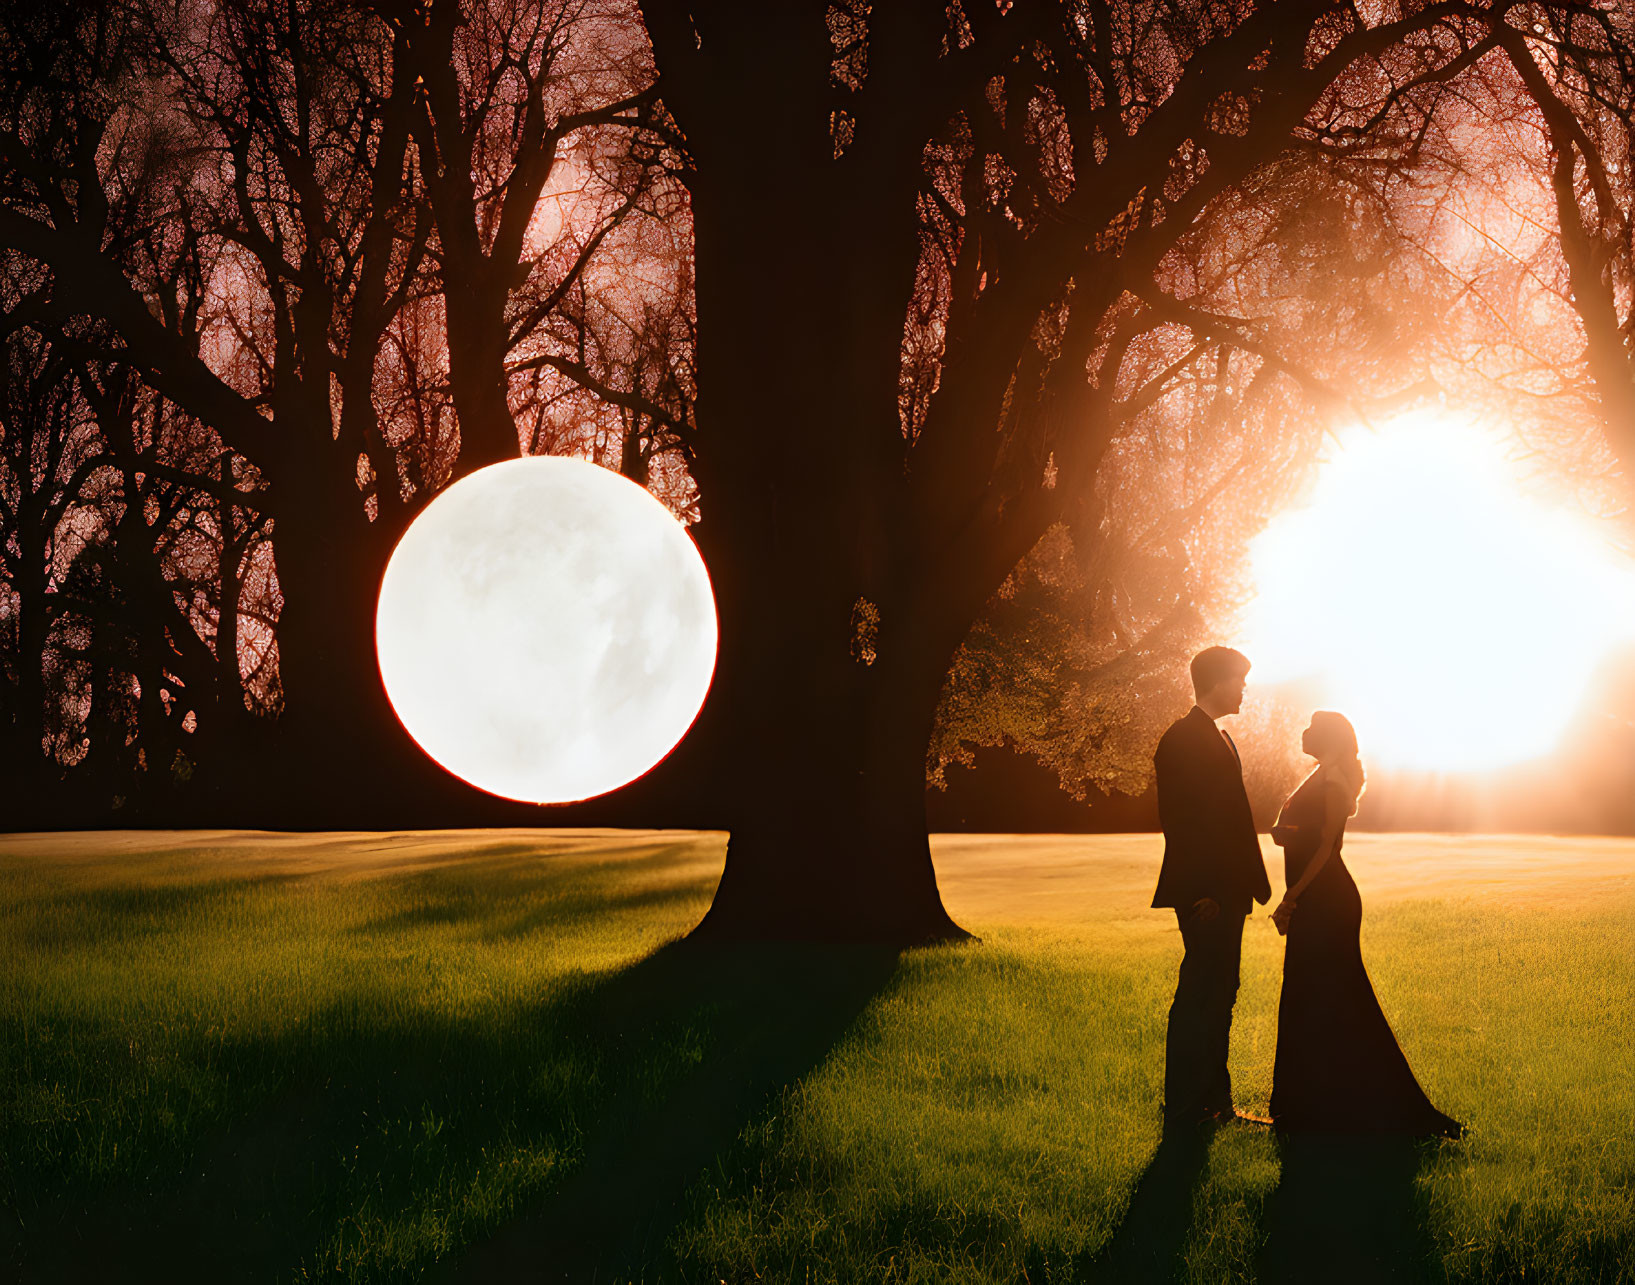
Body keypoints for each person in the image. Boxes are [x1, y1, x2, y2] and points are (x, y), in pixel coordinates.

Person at [1267, 711, 1462, 1138]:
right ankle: (1309, 1104)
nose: (1304, 732)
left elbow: (1327, 847)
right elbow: (1306, 833)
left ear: (1331, 738)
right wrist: (1286, 834)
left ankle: (1376, 1105)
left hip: (1326, 900)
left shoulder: (1334, 778)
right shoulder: (1321, 773)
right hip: (1314, 895)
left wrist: (1291, 897)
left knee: (1338, 994)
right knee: (1311, 994)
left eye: (1312, 728)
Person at [1151, 646, 1273, 1128]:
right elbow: (1181, 822)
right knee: (1201, 993)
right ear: (1218, 681)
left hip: (1228, 889)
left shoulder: (1220, 738)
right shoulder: (1182, 739)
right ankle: (1184, 1105)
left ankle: (1214, 1103)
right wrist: (1206, 891)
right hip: (1208, 895)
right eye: (1240, 680)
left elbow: (1232, 819)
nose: (1244, 689)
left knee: (1222, 989)